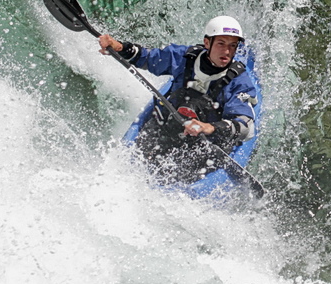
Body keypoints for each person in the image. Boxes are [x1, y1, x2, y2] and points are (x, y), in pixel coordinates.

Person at [98, 15, 259, 184]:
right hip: (170, 125)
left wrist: (209, 128)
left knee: (176, 174)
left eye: (233, 46)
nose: (227, 51)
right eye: (221, 44)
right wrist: (117, 46)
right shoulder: (185, 57)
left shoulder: (239, 82)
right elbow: (147, 57)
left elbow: (246, 127)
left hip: (204, 144)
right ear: (207, 43)